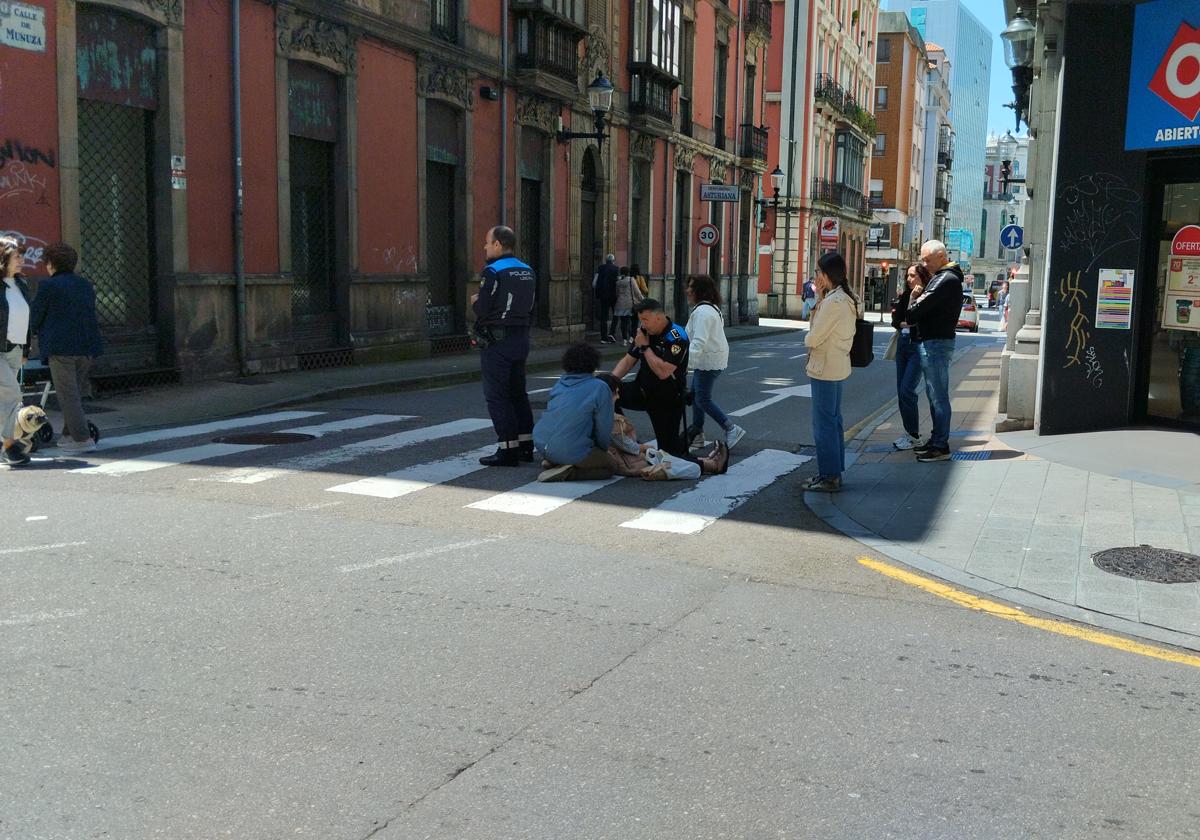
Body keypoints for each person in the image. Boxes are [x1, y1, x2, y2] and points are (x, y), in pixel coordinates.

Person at [608, 298, 728, 473]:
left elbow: (663, 371)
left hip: (666, 400)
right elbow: (628, 361)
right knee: (608, 395)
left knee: (670, 454)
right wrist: (609, 382)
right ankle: (626, 443)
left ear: (658, 317)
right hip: (641, 390)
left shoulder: (677, 336)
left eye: (646, 320)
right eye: (641, 320)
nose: (643, 324)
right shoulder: (644, 333)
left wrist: (645, 348)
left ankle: (710, 464)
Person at [28, 242, 104, 454]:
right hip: (87, 347)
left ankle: (82, 438)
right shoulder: (85, 285)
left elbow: (36, 316)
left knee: (68, 396)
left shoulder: (48, 286)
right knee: (75, 394)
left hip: (61, 348)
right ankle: (68, 435)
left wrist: (27, 336)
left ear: (51, 264)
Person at [471, 225, 536, 467]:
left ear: (498, 244)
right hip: (521, 338)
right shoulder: (527, 270)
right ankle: (526, 446)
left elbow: (483, 309)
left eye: (487, 242)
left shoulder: (492, 271)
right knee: (519, 393)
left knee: (497, 396)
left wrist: (475, 302)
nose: (485, 247)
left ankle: (507, 449)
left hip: (497, 340)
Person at [594, 372, 726, 479]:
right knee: (671, 464)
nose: (618, 397)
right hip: (627, 462)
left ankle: (707, 461)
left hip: (623, 458)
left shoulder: (596, 411)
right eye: (616, 393)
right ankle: (712, 465)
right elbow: (629, 447)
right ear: (607, 394)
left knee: (667, 457)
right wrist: (645, 447)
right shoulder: (609, 419)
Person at [802, 251, 857, 492]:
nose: (816, 276)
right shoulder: (843, 297)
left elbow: (813, 339)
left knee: (824, 424)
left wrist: (815, 312)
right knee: (833, 422)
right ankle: (833, 472)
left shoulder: (833, 302)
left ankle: (829, 476)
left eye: (818, 272)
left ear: (826, 275)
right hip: (836, 366)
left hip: (824, 368)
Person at [906, 238, 965, 462]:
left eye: (927, 260)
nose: (924, 264)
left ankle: (940, 445)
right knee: (933, 395)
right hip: (935, 341)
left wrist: (914, 299)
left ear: (941, 256)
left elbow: (913, 314)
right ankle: (936, 440)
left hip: (936, 343)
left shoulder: (945, 279)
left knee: (938, 396)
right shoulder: (943, 278)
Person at [533, 343, 615, 482]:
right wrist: (603, 449)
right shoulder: (599, 387)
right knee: (610, 466)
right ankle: (568, 472)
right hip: (569, 449)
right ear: (594, 364)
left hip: (542, 444)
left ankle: (555, 462)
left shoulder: (559, 384)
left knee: (567, 446)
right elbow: (603, 427)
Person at [683, 274, 746, 450]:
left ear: (700, 291)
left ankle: (731, 428)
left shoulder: (703, 312)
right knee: (696, 396)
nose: (687, 290)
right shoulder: (708, 308)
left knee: (702, 399)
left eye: (691, 287)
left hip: (707, 360)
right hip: (708, 358)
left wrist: (685, 365)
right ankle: (698, 433)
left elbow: (699, 341)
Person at [890, 262, 931, 451]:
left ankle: (914, 436)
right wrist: (901, 324)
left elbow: (917, 318)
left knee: (907, 390)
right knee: (901, 392)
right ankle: (909, 433)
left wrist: (915, 299)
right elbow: (896, 320)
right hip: (903, 346)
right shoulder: (905, 294)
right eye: (907, 276)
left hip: (917, 346)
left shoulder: (927, 295)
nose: (909, 279)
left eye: (913, 275)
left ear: (922, 276)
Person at [0, 237, 34, 467]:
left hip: (16, 349)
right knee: (12, 393)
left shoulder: (21, 284)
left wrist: (26, 348)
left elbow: (26, 319)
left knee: (4, 399)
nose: (22, 260)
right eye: (17, 257)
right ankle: (9, 446)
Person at [612, 266, 643, 343]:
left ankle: (624, 339)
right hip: (630, 304)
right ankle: (632, 337)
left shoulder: (618, 282)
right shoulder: (631, 280)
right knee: (634, 321)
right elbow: (637, 292)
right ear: (628, 273)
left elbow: (617, 293)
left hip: (620, 304)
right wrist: (643, 300)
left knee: (623, 322)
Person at [592, 254, 619, 343]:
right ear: (613, 261)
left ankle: (603, 337)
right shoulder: (616, 269)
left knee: (603, 316)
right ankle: (611, 333)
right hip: (613, 295)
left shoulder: (600, 268)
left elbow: (594, 283)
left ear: (606, 260)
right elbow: (618, 283)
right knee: (616, 314)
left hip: (603, 296)